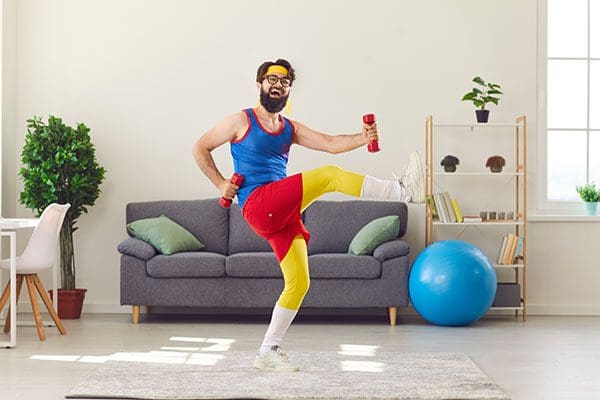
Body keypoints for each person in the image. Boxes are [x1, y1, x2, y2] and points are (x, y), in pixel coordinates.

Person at [192, 58, 424, 372]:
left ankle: (267, 351)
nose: (278, 84)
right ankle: (403, 192)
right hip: (259, 204)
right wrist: (221, 183)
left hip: (283, 214)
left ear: (289, 89)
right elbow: (200, 148)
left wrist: (361, 138)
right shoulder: (240, 120)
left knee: (299, 282)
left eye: (284, 81)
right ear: (260, 83)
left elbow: (329, 143)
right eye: (271, 79)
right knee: (328, 175)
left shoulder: (289, 128)